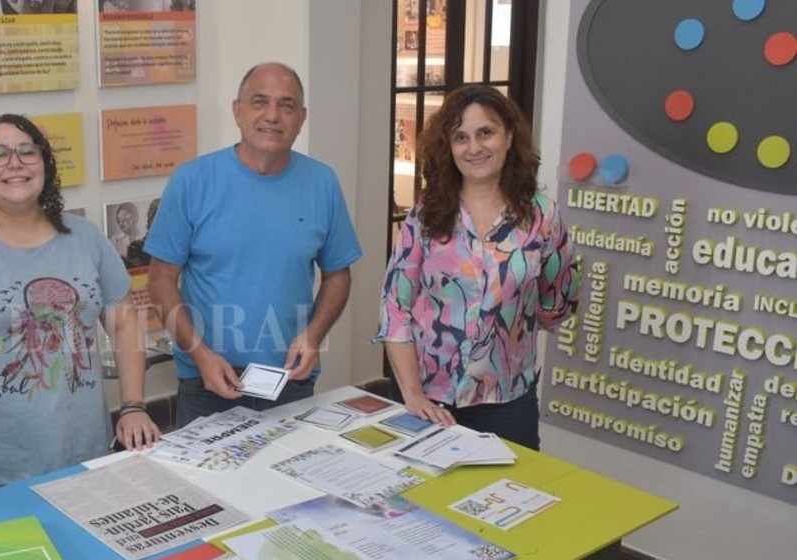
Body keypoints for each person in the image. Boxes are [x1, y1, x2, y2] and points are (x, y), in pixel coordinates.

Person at [0, 113, 160, 506]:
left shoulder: (84, 237)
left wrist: (133, 405)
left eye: (27, 152)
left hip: (78, 456)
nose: (15, 163)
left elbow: (123, 323)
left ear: (45, 164)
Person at [146, 62, 362, 425]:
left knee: (287, 478)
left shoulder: (322, 183)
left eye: (287, 105)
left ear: (301, 117)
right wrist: (200, 355)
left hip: (289, 377)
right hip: (207, 379)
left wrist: (313, 336)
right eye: (259, 102)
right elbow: (160, 280)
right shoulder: (192, 181)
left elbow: (338, 274)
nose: (272, 116)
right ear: (238, 111)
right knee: (204, 482)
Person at [375, 85, 580, 451]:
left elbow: (557, 305)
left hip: (506, 400)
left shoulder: (543, 217)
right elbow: (395, 306)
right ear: (449, 147)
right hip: (425, 393)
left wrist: (511, 330)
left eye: (485, 133)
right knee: (418, 502)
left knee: (510, 499)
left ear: (509, 136)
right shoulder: (427, 212)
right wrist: (413, 394)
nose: (474, 148)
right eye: (461, 137)